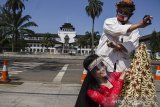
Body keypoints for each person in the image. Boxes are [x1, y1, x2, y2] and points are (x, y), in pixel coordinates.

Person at [96, 0, 153, 72]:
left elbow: (133, 44)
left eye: (126, 12)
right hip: (104, 63)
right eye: (120, 11)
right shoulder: (109, 22)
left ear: (130, 14)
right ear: (117, 11)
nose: (122, 14)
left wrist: (118, 46)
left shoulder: (135, 30)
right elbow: (116, 30)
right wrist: (139, 25)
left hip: (122, 67)